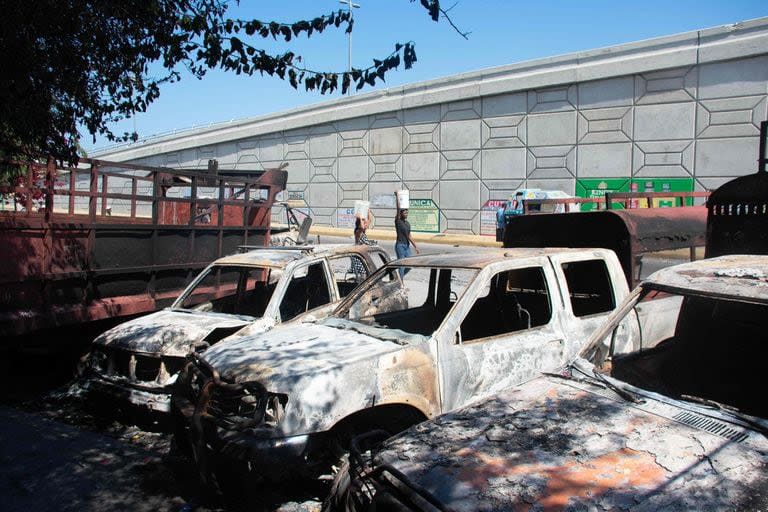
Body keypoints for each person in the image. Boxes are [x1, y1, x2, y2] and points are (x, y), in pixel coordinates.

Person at [394, 191, 419, 276]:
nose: (406, 213)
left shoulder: (407, 223)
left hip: (407, 246)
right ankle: (401, 283)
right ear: (401, 213)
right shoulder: (398, 221)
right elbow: (398, 208)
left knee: (409, 265)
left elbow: (409, 236)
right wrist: (397, 196)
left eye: (407, 212)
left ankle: (398, 279)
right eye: (404, 212)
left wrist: (415, 246)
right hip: (400, 245)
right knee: (401, 265)